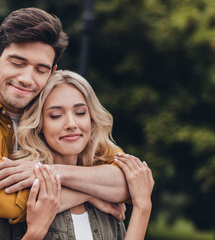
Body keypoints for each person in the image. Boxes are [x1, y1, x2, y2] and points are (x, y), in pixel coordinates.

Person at [0, 7, 129, 240]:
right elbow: (8, 203)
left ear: (52, 72)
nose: (27, 79)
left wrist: (51, 172)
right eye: (18, 63)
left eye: (40, 69)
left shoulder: (50, 112)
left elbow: (128, 178)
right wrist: (91, 193)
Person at [13, 70, 154, 239]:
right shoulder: (19, 188)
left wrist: (143, 207)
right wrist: (35, 233)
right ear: (39, 125)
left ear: (92, 118)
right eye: (56, 115)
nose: (71, 124)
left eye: (80, 112)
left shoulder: (107, 200)